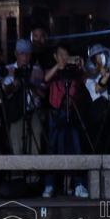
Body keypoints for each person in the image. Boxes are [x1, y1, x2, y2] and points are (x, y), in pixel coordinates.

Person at [43, 44, 87, 197]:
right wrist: (58, 66)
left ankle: (79, 185)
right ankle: (49, 185)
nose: (64, 58)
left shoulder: (74, 71)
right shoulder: (53, 71)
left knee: (75, 148)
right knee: (53, 149)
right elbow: (45, 78)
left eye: (66, 55)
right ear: (55, 56)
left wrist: (81, 66)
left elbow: (85, 81)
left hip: (72, 112)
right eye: (61, 55)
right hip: (56, 114)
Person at [3, 39, 46, 155]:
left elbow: (43, 94)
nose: (25, 56)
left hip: (33, 112)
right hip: (15, 113)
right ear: (16, 54)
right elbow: (4, 93)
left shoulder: (37, 70)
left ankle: (34, 173)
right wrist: (15, 83)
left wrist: (30, 83)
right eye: (22, 53)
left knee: (35, 148)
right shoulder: (8, 70)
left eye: (28, 53)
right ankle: (18, 173)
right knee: (16, 147)